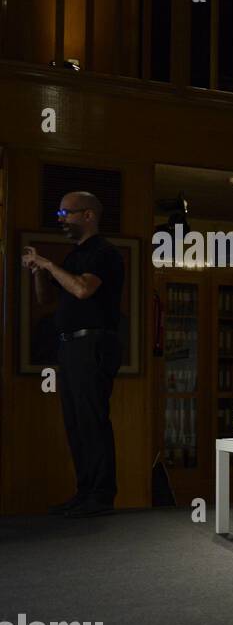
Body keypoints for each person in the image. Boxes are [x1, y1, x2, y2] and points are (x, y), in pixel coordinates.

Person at [25, 192, 125, 518]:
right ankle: (84, 492)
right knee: (74, 422)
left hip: (93, 345)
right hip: (69, 346)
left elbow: (83, 290)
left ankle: (101, 494)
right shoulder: (74, 256)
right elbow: (45, 300)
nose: (60, 218)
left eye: (65, 212)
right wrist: (39, 270)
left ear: (88, 216)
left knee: (91, 419)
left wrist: (49, 264)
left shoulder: (103, 252)